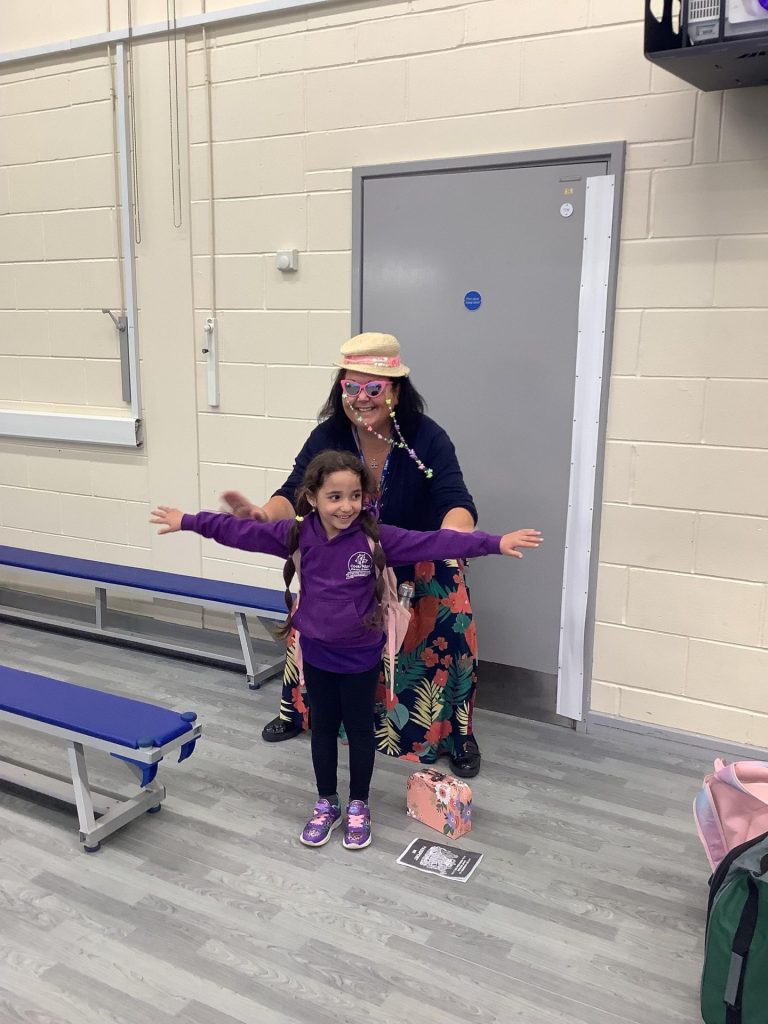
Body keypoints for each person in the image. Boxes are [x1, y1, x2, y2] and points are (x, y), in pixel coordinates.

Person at [151, 449, 541, 849]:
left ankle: (359, 804)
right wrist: (188, 521)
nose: (346, 506)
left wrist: (496, 542)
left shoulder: (376, 538)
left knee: (358, 732)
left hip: (361, 656)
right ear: (312, 497)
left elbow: (435, 541)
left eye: (354, 496)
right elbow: (239, 533)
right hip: (317, 653)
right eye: (335, 497)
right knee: (322, 730)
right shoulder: (296, 534)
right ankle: (327, 802)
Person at [222, 332, 486, 777]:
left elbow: (455, 498)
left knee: (449, 625)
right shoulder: (329, 435)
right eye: (351, 387)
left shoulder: (427, 436)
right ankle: (301, 713)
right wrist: (263, 515)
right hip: (343, 562)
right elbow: (294, 491)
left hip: (415, 560)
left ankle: (455, 735)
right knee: (316, 627)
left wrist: (454, 536)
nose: (361, 398)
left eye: (374, 387)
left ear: (396, 390)